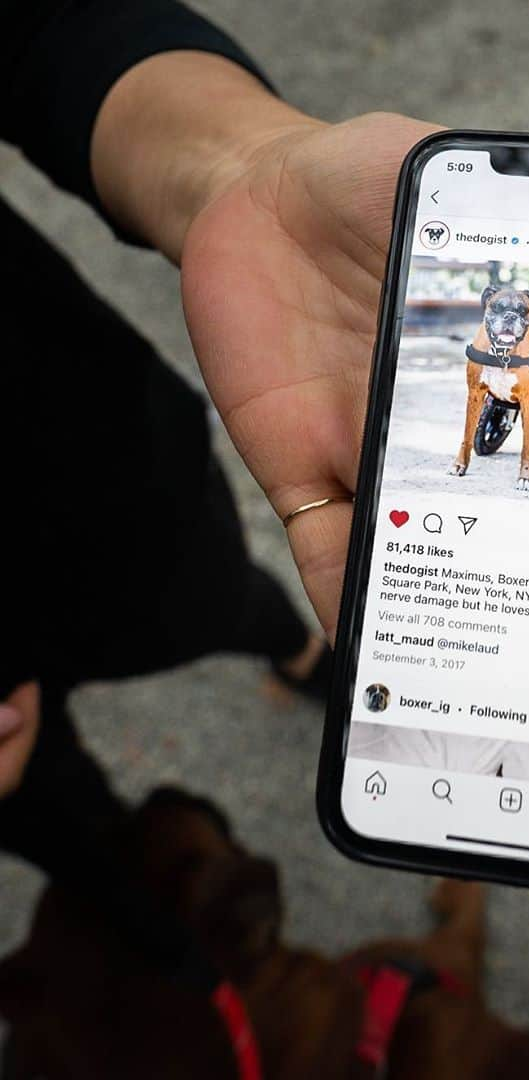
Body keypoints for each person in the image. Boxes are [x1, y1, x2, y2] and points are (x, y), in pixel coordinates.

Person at [1, 0, 434, 877]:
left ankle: (297, 647)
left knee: (218, 598)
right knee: (94, 853)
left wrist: (247, 167)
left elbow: (39, 25)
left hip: (79, 480)